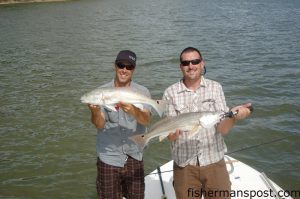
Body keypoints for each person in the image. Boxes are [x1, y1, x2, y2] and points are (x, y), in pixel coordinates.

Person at [162, 47, 252, 199]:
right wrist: (171, 134)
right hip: (184, 166)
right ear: (180, 67)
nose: (190, 66)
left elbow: (222, 130)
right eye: (185, 63)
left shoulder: (215, 88)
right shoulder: (170, 93)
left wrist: (233, 117)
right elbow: (171, 137)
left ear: (202, 63)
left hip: (214, 162)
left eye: (195, 61)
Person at [88, 50, 151, 199]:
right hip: (109, 157)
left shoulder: (143, 92)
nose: (124, 70)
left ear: (134, 69)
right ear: (114, 66)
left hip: (134, 154)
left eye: (129, 67)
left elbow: (146, 120)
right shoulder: (101, 92)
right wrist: (95, 111)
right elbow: (99, 125)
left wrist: (134, 111)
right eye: (121, 65)